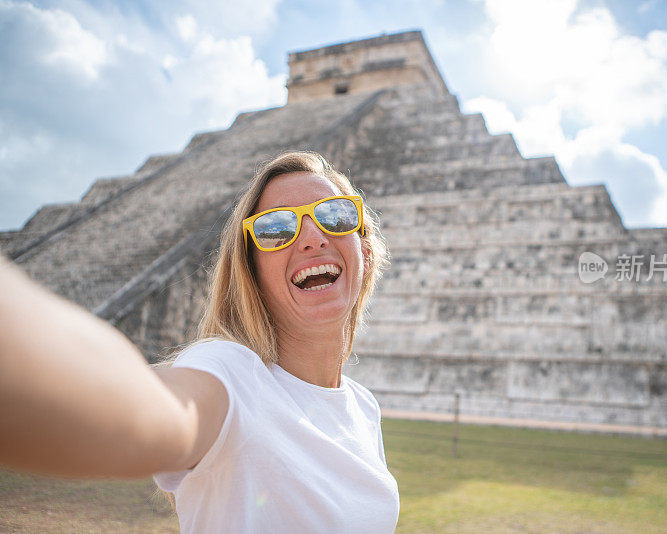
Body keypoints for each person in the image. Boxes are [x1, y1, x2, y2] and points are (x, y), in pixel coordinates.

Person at [0, 151, 399, 533]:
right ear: (252, 271)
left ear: (364, 249)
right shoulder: (232, 375)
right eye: (275, 228)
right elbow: (145, 408)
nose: (312, 237)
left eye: (336, 216)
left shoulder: (364, 407)